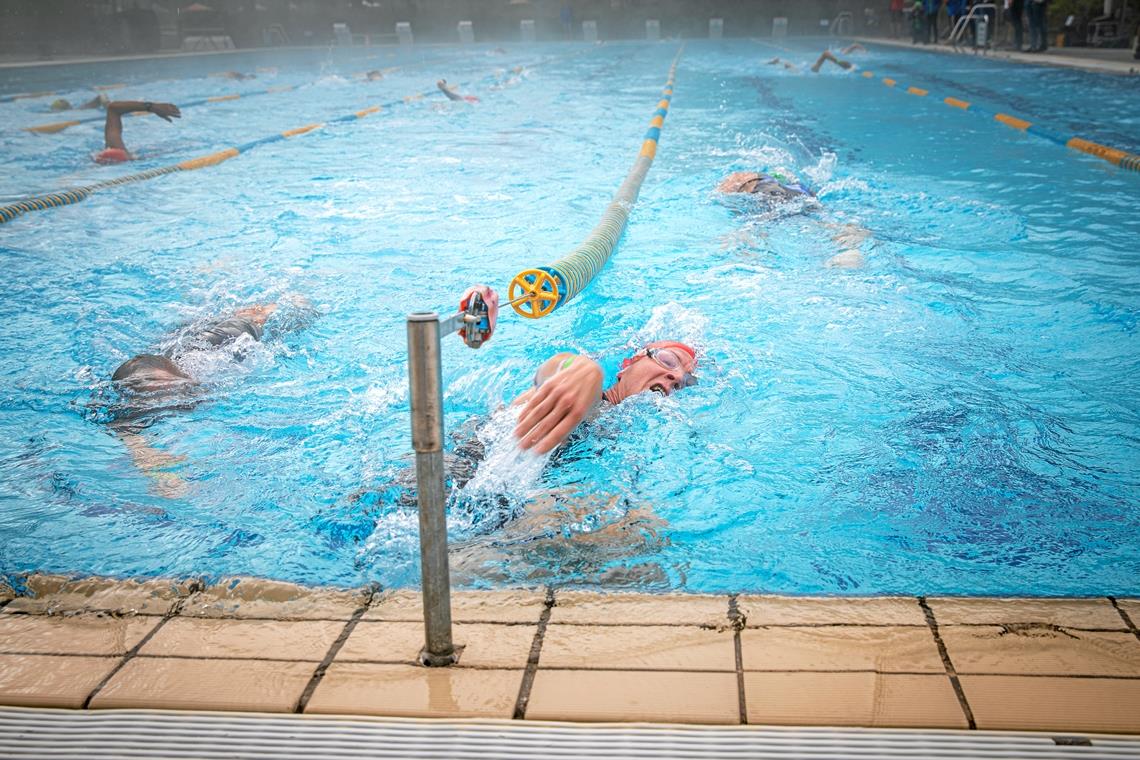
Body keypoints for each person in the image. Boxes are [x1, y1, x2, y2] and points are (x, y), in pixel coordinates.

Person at [717, 170, 870, 268]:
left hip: (767, 197)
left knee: (761, 225)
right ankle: (849, 246)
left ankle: (751, 252)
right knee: (823, 224)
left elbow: (727, 189)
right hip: (802, 199)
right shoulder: (784, 180)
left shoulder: (744, 180)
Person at [96, 99, 180, 164]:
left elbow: (113, 109)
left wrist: (151, 107)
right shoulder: (119, 153)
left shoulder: (116, 151)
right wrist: (151, 107)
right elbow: (113, 108)